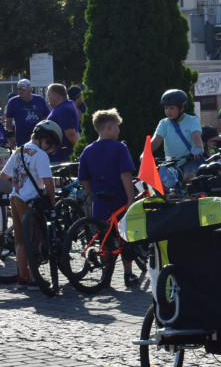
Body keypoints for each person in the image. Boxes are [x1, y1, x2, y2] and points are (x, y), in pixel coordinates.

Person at [77, 108, 140, 286]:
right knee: (126, 236)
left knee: (103, 237)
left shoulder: (87, 151)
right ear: (110, 127)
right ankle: (128, 273)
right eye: (118, 128)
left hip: (100, 200)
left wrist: (94, 194)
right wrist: (130, 199)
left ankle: (106, 276)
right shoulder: (119, 148)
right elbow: (125, 175)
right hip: (119, 197)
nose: (119, 132)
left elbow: (83, 179)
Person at [0, 120, 60, 290]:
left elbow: (4, 176)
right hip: (30, 202)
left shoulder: (19, 151)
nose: (49, 148)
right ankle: (35, 279)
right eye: (50, 144)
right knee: (34, 241)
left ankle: (22, 278)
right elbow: (48, 183)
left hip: (15, 198)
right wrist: (52, 202)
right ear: (45, 139)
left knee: (20, 242)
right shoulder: (40, 155)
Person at [149, 89, 204, 183]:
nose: (168, 111)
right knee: (162, 186)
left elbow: (196, 135)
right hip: (170, 163)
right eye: (166, 108)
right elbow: (156, 140)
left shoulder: (192, 120)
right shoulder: (164, 123)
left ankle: (191, 197)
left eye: (171, 108)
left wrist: (199, 147)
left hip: (189, 160)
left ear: (181, 108)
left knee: (189, 178)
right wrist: (146, 153)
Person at [4, 79, 49, 150]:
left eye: (23, 88)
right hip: (22, 139)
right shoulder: (13, 102)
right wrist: (10, 140)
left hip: (39, 138)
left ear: (30, 89)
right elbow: (8, 122)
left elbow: (47, 117)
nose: (20, 91)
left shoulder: (39, 100)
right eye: (19, 88)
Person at [44, 83, 80, 164]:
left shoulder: (64, 109)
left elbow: (70, 133)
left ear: (57, 96)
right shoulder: (62, 107)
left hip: (61, 158)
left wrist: (79, 151)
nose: (47, 98)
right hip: (57, 155)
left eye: (49, 95)